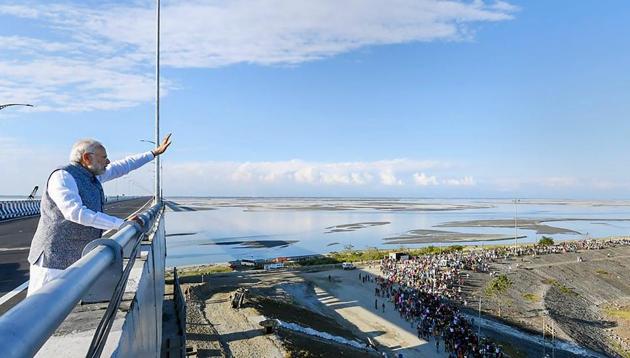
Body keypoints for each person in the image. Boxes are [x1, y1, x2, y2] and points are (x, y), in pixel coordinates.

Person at [26, 134, 172, 296]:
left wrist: (153, 153)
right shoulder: (63, 176)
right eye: (104, 158)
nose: (108, 162)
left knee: (65, 311)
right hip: (53, 260)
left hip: (77, 258)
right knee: (40, 309)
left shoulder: (91, 176)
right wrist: (120, 224)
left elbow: (124, 166)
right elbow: (75, 212)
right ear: (87, 158)